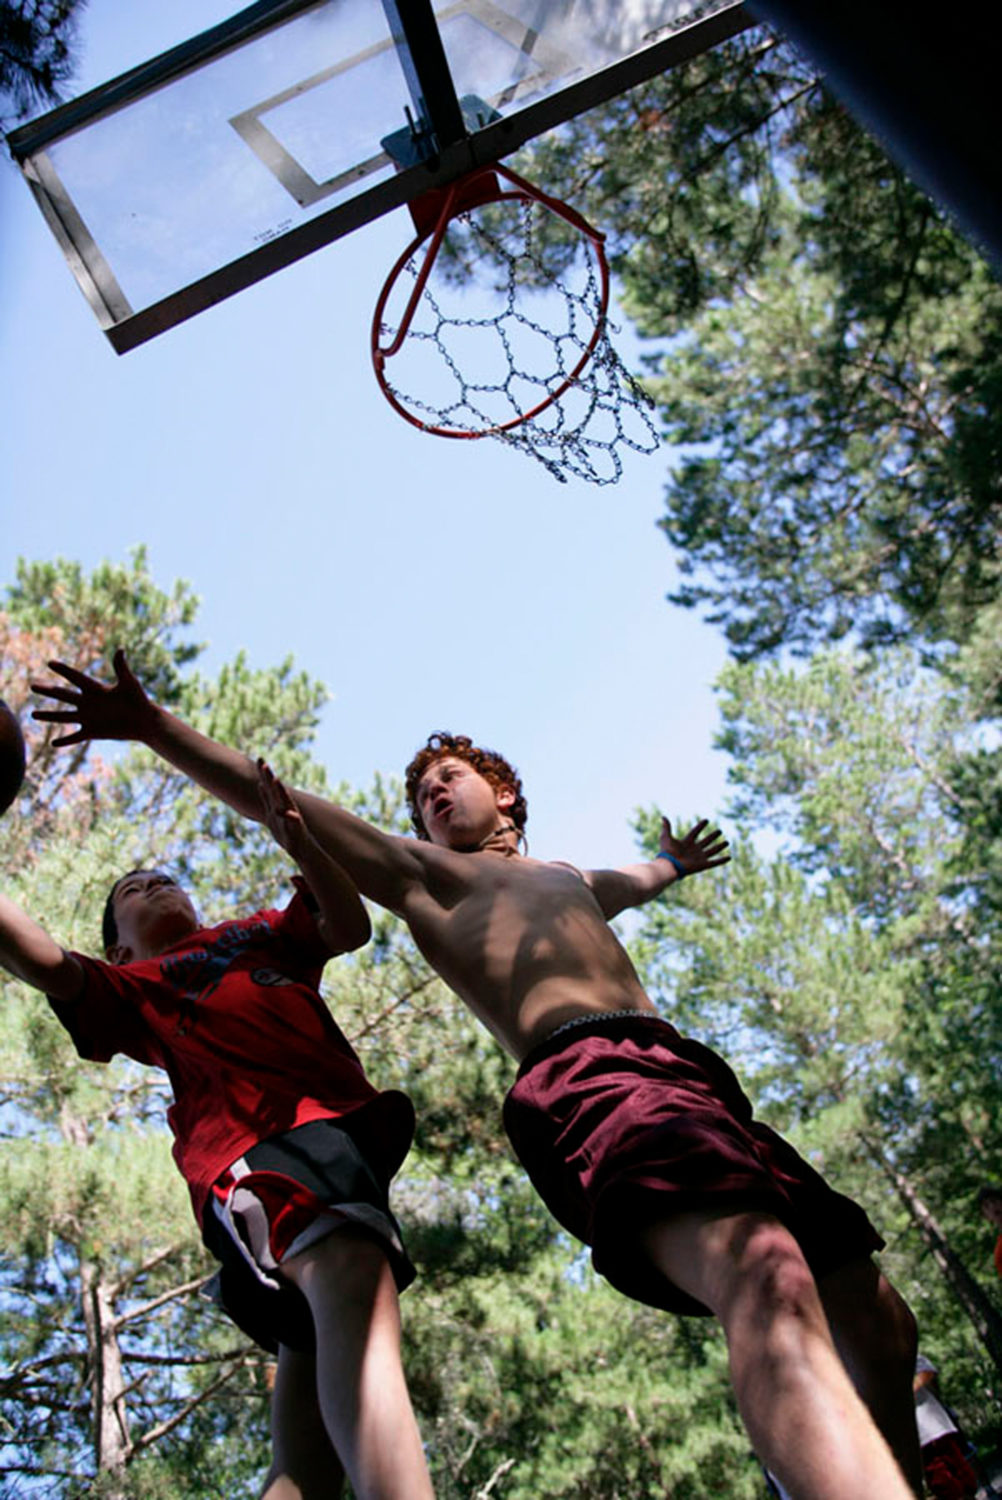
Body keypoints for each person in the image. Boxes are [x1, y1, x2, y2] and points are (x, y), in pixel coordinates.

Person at [34, 651, 923, 1500]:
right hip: (595, 1081)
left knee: (879, 1322)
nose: (430, 794)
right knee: (765, 1276)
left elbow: (632, 880)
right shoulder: (429, 877)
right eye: (420, 796)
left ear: (502, 792)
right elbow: (276, 799)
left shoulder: (566, 876)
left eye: (446, 778)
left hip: (691, 1076)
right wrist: (151, 726)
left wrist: (675, 864)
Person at [0, 758, 434, 1500]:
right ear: (118, 950)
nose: (154, 884)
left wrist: (302, 844)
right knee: (353, 1276)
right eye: (132, 891)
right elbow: (39, 958)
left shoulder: (259, 935)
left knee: (307, 1453)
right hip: (262, 1151)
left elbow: (349, 926)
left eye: (164, 878)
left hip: (334, 1144)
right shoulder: (132, 986)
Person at [913, 1353, 982, 1499]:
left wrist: (905, 1393)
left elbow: (927, 1370)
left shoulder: (903, 1351)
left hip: (935, 1425)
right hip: (917, 1439)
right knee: (943, 1484)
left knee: (963, 1476)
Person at [979, 1186, 1002, 1280]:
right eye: (986, 1206)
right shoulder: (999, 1253)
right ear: (986, 1217)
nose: (992, 1207)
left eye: (994, 1201)